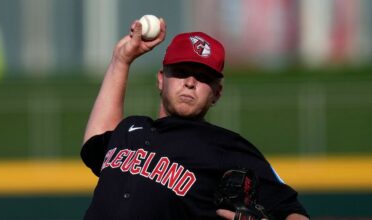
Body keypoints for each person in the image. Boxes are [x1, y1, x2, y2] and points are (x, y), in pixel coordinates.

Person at [81, 18, 309, 220]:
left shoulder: (226, 147)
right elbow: (94, 145)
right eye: (181, 71)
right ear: (161, 79)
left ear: (217, 93)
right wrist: (121, 61)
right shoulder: (131, 128)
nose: (190, 82)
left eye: (202, 77)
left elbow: (291, 208)